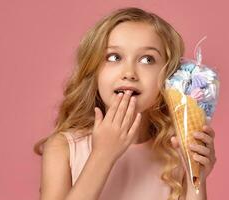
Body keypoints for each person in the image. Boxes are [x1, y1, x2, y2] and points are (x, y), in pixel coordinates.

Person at [33, 7, 217, 200]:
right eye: (114, 57)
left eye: (147, 59)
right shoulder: (63, 148)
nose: (129, 72)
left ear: (167, 77)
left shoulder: (175, 154)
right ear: (93, 71)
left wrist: (197, 177)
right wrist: (102, 155)